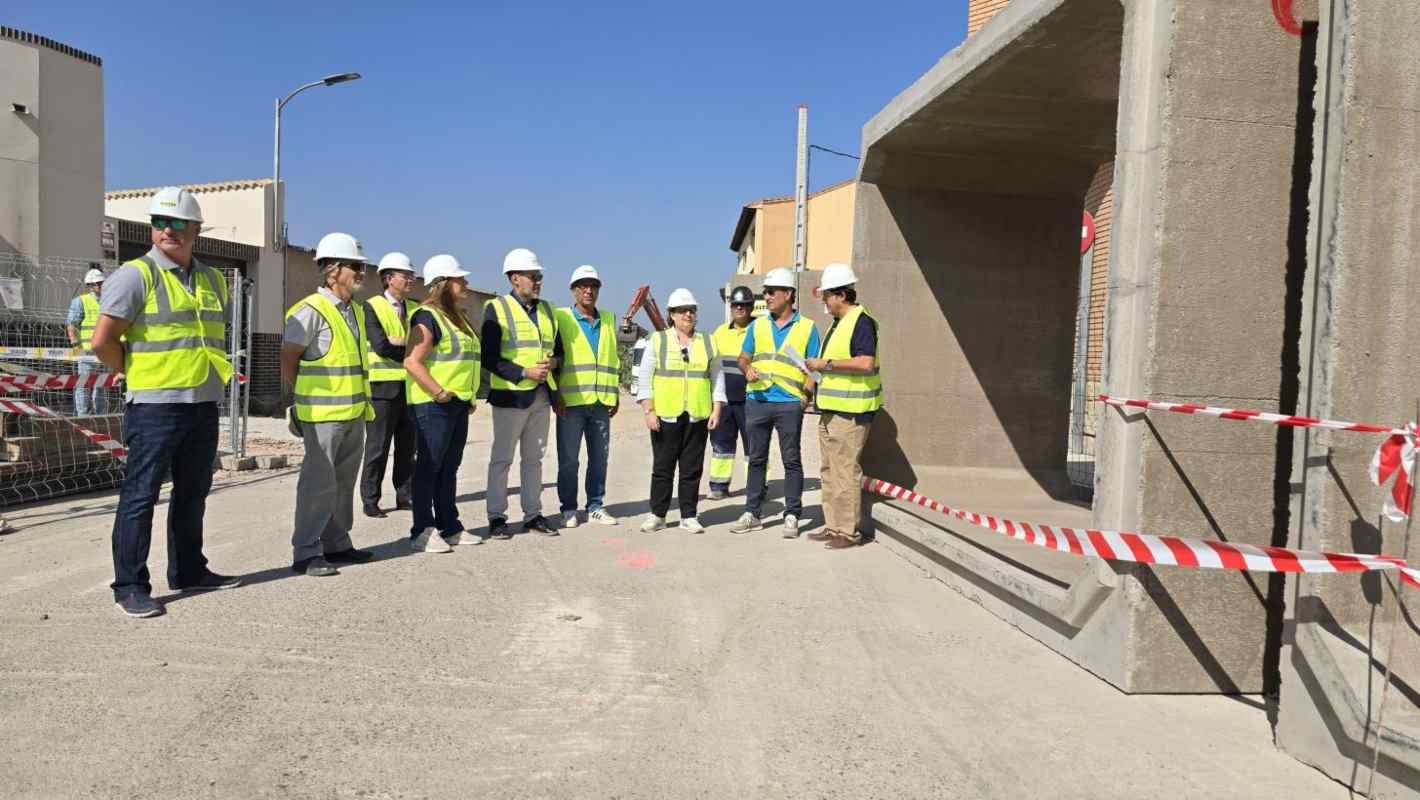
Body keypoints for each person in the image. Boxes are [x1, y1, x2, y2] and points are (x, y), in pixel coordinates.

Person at [89, 187, 241, 618]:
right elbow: (103, 342)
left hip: (202, 403)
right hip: (155, 406)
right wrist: (136, 372)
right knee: (140, 496)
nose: (167, 230)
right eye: (159, 222)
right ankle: (130, 585)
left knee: (194, 492)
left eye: (176, 222)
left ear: (196, 229)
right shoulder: (136, 276)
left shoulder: (212, 280)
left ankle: (190, 571)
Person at [280, 232, 377, 578]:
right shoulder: (309, 311)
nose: (362, 272)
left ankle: (337, 543)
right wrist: (301, 398)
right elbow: (288, 360)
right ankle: (306, 551)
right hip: (322, 416)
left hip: (352, 413)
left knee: (342, 484)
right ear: (333, 270)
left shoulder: (355, 311)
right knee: (317, 486)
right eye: (356, 266)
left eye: (362, 266)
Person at [732, 268, 821, 538]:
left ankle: (792, 513)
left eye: (771, 292)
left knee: (791, 459)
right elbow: (743, 357)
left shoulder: (807, 328)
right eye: (765, 292)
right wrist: (746, 369)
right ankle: (752, 512)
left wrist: (804, 398)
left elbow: (814, 371)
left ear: (788, 294)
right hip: (757, 400)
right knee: (756, 459)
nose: (766, 297)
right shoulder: (758, 325)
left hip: (789, 404)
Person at [481, 247, 564, 539]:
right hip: (510, 397)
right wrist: (523, 372)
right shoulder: (497, 308)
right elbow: (489, 358)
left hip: (542, 396)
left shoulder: (548, 310)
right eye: (532, 276)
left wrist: (552, 363)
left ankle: (533, 514)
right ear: (515, 278)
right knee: (502, 459)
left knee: (534, 459)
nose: (538, 280)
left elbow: (559, 354)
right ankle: (496, 517)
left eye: (539, 275)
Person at [403, 254, 482, 553]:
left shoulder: (456, 316)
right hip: (433, 404)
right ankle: (422, 530)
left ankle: (450, 527)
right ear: (443, 283)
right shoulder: (427, 316)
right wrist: (438, 392)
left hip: (457, 404)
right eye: (460, 278)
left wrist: (466, 397)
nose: (466, 283)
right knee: (429, 468)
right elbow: (412, 361)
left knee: (449, 468)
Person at [803, 264, 881, 550]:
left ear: (841, 294)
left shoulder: (861, 321)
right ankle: (833, 526)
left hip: (851, 413)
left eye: (827, 296)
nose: (824, 301)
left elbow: (865, 362)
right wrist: (813, 379)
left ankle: (848, 533)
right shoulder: (838, 323)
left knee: (845, 472)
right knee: (829, 470)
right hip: (831, 410)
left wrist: (826, 364)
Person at [637, 289, 726, 534]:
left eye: (692, 310)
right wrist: (649, 410)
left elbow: (717, 376)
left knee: (691, 468)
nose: (688, 314)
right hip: (665, 414)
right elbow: (645, 376)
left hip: (697, 414)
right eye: (682, 310)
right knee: (663, 467)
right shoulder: (659, 340)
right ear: (672, 315)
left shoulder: (708, 341)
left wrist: (717, 407)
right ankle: (658, 514)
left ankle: (689, 515)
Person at [553, 265, 621, 529]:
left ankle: (595, 505)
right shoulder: (562, 318)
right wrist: (555, 393)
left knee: (599, 459)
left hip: (601, 402)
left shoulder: (608, 319)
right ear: (573, 290)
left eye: (593, 285)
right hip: (571, 402)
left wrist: (614, 392)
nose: (588, 290)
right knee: (569, 460)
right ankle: (568, 508)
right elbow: (554, 358)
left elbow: (612, 359)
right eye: (582, 285)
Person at [359, 252, 420, 518]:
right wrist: (410, 349)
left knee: (408, 448)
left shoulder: (417, 309)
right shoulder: (371, 306)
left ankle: (405, 495)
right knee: (378, 447)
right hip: (382, 388)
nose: (410, 279)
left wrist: (401, 342)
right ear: (388, 278)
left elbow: (428, 348)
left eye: (411, 275)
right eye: (405, 275)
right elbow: (382, 346)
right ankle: (370, 500)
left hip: (410, 387)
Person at [707, 285, 755, 500]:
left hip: (751, 400)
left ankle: (756, 487)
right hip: (724, 401)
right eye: (736, 305)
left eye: (744, 305)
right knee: (721, 445)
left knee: (754, 446)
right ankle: (719, 486)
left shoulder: (759, 330)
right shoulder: (719, 332)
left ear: (751, 307)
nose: (739, 308)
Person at [65, 267, 109, 416]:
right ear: (90, 285)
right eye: (98, 283)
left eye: (102, 282)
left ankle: (101, 416)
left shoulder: (109, 301)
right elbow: (72, 325)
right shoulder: (81, 301)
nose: (101, 286)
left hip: (105, 350)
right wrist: (76, 346)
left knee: (102, 385)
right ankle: (84, 416)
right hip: (87, 352)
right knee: (84, 385)